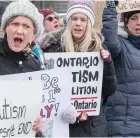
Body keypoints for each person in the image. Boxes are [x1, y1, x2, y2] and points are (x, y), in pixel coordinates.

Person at [39, 0, 117, 137]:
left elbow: (109, 90)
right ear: (68, 21)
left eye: (83, 19)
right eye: (74, 18)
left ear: (89, 23)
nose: (78, 23)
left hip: (91, 128)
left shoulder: (98, 49)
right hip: (61, 125)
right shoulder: (53, 49)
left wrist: (108, 64)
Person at [0, 1, 44, 136]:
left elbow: (34, 108)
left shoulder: (34, 64)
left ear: (33, 35)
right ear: (5, 28)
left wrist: (37, 123)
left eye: (26, 26)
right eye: (15, 24)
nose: (19, 30)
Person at [102, 1, 140, 137]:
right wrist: (111, 11)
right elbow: (109, 44)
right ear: (126, 22)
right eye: (134, 18)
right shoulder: (120, 44)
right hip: (123, 127)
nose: (139, 23)